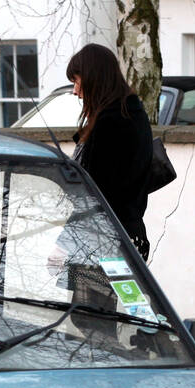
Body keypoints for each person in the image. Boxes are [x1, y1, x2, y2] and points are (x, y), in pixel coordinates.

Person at [66, 43, 154, 260]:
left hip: (106, 239)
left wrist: (64, 241)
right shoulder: (130, 114)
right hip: (121, 236)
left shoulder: (113, 122)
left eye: (76, 81)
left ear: (93, 77)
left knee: (92, 295)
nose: (75, 91)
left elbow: (95, 192)